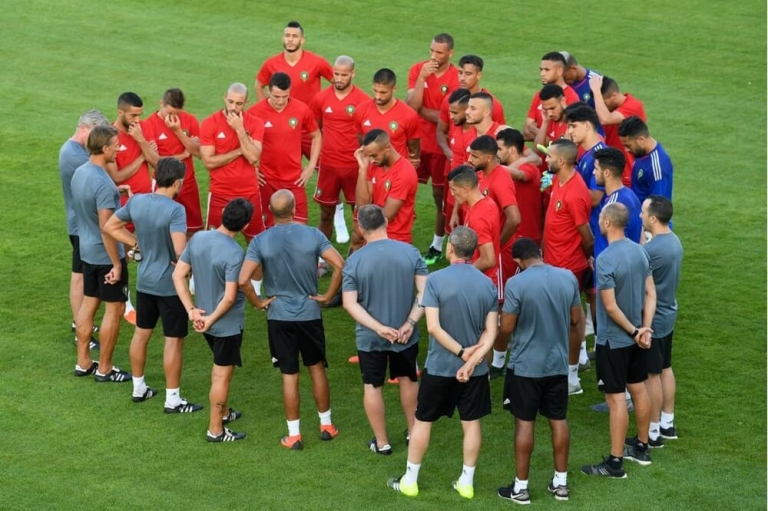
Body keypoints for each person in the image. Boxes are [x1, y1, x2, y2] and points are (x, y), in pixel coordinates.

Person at [387, 226, 497, 499]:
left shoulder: (435, 280)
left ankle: (410, 481)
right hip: (475, 370)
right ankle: (466, 483)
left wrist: (461, 353)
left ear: (450, 248)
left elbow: (433, 327)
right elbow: (491, 332)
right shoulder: (487, 284)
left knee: (423, 421)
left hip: (440, 367)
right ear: (474, 252)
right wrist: (472, 360)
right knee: (471, 423)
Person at [238, 190, 345, 450]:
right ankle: (326, 426)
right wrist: (328, 296)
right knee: (316, 368)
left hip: (279, 317)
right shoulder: (313, 235)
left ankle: (294, 435)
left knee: (289, 375)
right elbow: (341, 265)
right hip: (310, 314)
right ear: (295, 209)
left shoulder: (260, 241)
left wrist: (258, 303)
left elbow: (242, 280)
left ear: (269, 212)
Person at [103, 157, 203, 412]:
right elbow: (180, 251)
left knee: (141, 333)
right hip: (170, 287)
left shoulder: (137, 201)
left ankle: (138, 388)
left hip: (145, 282)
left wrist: (137, 244)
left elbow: (110, 226)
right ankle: (173, 399)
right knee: (173, 340)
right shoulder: (175, 210)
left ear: (156, 177)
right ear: (177, 182)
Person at [496, 238, 582, 505]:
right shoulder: (568, 278)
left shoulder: (516, 283)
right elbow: (576, 319)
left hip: (525, 367)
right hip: (557, 365)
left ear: (518, 261)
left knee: (524, 422)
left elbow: (507, 327)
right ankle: (561, 484)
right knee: (558, 419)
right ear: (540, 253)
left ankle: (521, 488)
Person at [342, 205, 428, 455]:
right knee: (408, 379)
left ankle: (382, 443)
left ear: (361, 228)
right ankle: (413, 432)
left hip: (370, 338)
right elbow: (425, 293)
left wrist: (379, 329)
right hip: (405, 335)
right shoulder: (410, 252)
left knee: (372, 385)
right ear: (386, 222)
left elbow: (349, 303)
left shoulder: (354, 261)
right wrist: (409, 323)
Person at [581, 202, 656, 478]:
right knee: (639, 389)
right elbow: (651, 294)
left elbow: (610, 307)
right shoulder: (640, 251)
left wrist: (635, 332)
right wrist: (644, 329)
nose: (598, 222)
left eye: (600, 218)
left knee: (616, 400)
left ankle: (615, 463)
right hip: (637, 338)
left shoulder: (605, 259)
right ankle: (641, 446)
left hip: (614, 341)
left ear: (607, 223)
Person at [172, 198, 256, 443]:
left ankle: (225, 412)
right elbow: (229, 298)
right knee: (221, 376)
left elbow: (178, 275)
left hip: (204, 319)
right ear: (245, 225)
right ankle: (216, 430)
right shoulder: (235, 253)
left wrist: (191, 310)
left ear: (223, 213)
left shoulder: (198, 238)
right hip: (225, 326)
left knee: (220, 372)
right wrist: (210, 320)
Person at [70, 125, 131, 383]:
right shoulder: (104, 183)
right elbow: (107, 228)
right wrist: (117, 263)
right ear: (105, 148)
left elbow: (89, 207)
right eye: (116, 146)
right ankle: (105, 369)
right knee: (114, 310)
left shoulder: (79, 173)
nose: (119, 149)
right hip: (106, 256)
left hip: (86, 251)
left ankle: (83, 362)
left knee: (88, 304)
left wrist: (116, 193)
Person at [541, 139, 593, 395]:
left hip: (568, 267)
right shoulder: (557, 180)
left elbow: (587, 237)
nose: (546, 159)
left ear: (561, 161)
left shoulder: (575, 193)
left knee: (570, 321)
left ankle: (571, 377)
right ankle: (574, 361)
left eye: (550, 156)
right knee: (565, 318)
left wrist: (584, 260)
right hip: (553, 262)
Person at [406, 33, 459, 265]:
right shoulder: (418, 69)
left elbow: (448, 117)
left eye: (439, 52)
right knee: (402, 190)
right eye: (431, 51)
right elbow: (411, 107)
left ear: (450, 53)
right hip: (415, 144)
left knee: (440, 198)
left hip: (439, 148)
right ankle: (398, 238)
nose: (434, 56)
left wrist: (422, 111)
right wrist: (421, 79)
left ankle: (437, 245)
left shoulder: (456, 78)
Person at [107, 92, 159, 325]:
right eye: (133, 115)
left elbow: (156, 162)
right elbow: (117, 176)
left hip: (147, 204)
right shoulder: (110, 136)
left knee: (150, 249)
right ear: (120, 112)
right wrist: (142, 156)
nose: (138, 119)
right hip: (124, 208)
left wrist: (140, 141)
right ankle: (125, 301)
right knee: (123, 255)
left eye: (140, 115)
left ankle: (151, 296)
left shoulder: (142, 129)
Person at [59, 109, 109, 349]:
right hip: (82, 227)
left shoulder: (74, 150)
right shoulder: (75, 155)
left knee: (80, 274)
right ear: (84, 129)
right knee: (80, 277)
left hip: (80, 224)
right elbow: (102, 176)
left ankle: (80, 322)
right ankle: (80, 328)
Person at [310, 55, 370, 248]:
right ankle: (321, 257)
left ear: (353, 74)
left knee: (360, 215)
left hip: (354, 167)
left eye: (344, 75)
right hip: (328, 166)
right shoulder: (320, 98)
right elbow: (316, 130)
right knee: (325, 214)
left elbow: (368, 135)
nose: (339, 78)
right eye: (336, 74)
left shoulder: (363, 101)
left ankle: (361, 257)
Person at [248, 72, 321, 227]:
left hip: (295, 180)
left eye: (285, 96)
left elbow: (316, 135)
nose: (281, 101)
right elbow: (243, 142)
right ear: (268, 91)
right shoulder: (254, 113)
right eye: (276, 96)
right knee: (269, 229)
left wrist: (311, 166)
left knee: (300, 227)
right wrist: (251, 169)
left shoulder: (301, 109)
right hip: (267, 180)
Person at [254, 20, 333, 159]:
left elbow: (338, 83)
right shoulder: (271, 63)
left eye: (295, 36)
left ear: (302, 40)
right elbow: (258, 85)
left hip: (309, 127)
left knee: (324, 164)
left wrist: (325, 106)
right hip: (284, 128)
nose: (290, 40)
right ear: (283, 38)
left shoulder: (316, 62)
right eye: (287, 35)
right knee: (283, 164)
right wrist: (267, 109)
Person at [566, 103, 607, 363]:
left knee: (595, 292)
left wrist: (567, 189)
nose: (569, 131)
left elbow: (594, 197)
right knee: (589, 292)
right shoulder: (586, 154)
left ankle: (602, 346)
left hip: (594, 235)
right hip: (585, 232)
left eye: (573, 126)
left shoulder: (599, 155)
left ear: (587, 125)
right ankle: (589, 349)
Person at [640, 196, 683, 445]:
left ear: (653, 218)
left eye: (644, 213)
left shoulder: (651, 251)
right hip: (668, 314)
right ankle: (667, 423)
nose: (641, 216)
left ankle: (653, 432)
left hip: (654, 319)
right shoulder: (674, 241)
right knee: (665, 368)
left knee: (651, 375)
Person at [199, 82, 265, 241]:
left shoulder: (255, 123)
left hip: (249, 193)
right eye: (230, 101)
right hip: (220, 193)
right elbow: (208, 162)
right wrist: (240, 150)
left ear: (246, 103)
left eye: (239, 103)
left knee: (257, 242)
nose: (233, 107)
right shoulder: (210, 123)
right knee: (214, 242)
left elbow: (253, 158)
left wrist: (240, 129)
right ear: (224, 98)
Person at [141, 88, 204, 236]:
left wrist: (177, 131)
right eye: (169, 113)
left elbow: (199, 153)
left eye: (177, 114)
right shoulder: (149, 124)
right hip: (163, 186)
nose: (173, 117)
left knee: (193, 230)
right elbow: (155, 162)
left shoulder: (190, 120)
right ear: (161, 104)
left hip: (187, 184)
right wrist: (183, 154)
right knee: (161, 230)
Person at [354, 129, 419, 244]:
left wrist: (365, 222)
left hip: (395, 240)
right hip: (373, 234)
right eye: (369, 156)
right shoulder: (374, 165)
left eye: (374, 155)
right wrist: (362, 170)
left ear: (388, 147)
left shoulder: (404, 172)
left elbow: (387, 216)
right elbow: (362, 206)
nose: (371, 160)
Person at [447, 166, 501, 300]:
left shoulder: (478, 218)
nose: (452, 194)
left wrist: (462, 273)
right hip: (482, 281)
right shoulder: (486, 202)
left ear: (465, 189)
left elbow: (488, 260)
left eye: (453, 189)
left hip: (479, 284)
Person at [354, 68, 420, 167]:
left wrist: (412, 164)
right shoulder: (361, 110)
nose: (378, 96)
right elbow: (361, 139)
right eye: (375, 91)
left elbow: (414, 145)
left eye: (383, 92)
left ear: (394, 89)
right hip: (371, 171)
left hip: (397, 170)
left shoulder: (409, 115)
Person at [589, 75, 646, 184]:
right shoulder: (610, 108)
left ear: (614, 96)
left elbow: (605, 119)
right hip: (611, 169)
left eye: (604, 102)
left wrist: (596, 91)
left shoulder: (634, 106)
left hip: (629, 172)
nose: (601, 106)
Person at [592, 148, 643, 259]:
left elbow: (616, 248)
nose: (593, 172)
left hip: (610, 267)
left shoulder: (613, 206)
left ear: (606, 173)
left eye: (596, 169)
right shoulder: (630, 195)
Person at [497, 128, 543, 246]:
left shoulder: (529, 167)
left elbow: (521, 175)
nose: (497, 153)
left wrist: (491, 165)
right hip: (512, 232)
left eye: (500, 149)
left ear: (512, 150)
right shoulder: (509, 165)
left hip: (526, 236)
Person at [523, 52, 580, 141]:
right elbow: (526, 132)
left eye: (547, 70)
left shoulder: (572, 98)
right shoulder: (540, 95)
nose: (542, 74)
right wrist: (549, 139)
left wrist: (538, 133)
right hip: (540, 150)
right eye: (541, 70)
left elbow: (566, 139)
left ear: (559, 71)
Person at [439, 89, 472, 239]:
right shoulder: (457, 128)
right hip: (455, 194)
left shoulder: (474, 136)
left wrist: (455, 212)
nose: (450, 116)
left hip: (465, 198)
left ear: (467, 110)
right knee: (453, 237)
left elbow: (466, 175)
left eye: (455, 112)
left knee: (466, 240)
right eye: (450, 112)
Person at [618, 116, 674, 203]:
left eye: (628, 146)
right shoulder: (641, 153)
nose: (626, 150)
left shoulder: (657, 167)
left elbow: (658, 206)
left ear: (641, 139)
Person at [532, 84, 570, 165]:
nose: (549, 114)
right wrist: (545, 122)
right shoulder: (549, 120)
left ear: (563, 101)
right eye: (545, 109)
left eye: (552, 108)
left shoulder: (572, 124)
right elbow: (536, 153)